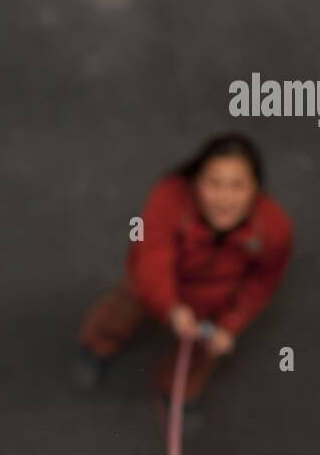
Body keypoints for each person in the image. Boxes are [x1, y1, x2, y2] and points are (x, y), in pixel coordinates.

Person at [72, 134, 293, 405]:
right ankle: (97, 347)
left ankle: (176, 392)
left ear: (255, 190)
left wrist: (230, 325)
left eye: (238, 186)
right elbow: (151, 258)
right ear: (196, 182)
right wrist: (171, 307)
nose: (225, 199)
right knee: (121, 310)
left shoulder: (275, 227)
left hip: (214, 300)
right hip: (155, 282)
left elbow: (263, 282)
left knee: (202, 353)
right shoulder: (168, 198)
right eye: (214, 183)